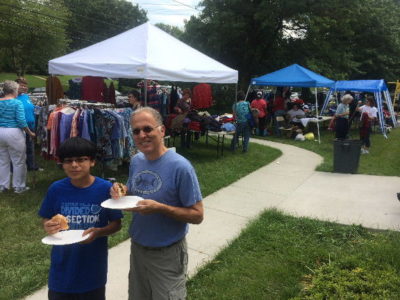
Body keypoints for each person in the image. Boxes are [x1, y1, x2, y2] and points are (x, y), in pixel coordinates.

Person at [110, 107, 204, 300]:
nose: (142, 135)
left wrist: (161, 208)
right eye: (136, 131)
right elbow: (133, 190)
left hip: (167, 253)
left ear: (162, 131)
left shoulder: (181, 167)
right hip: (138, 248)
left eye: (147, 129)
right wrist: (122, 190)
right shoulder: (137, 160)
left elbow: (197, 215)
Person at [38, 137, 123, 300]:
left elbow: (116, 224)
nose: (74, 165)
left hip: (93, 271)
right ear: (62, 164)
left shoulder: (105, 189)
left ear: (92, 162)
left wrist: (99, 232)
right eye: (68, 161)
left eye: (81, 159)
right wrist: (48, 226)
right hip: (62, 271)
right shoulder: (56, 189)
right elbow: (47, 218)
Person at [0, 80, 35, 193]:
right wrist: (30, 133)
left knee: (2, 160)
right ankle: (19, 186)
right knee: (19, 160)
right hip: (14, 132)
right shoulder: (17, 103)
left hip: (0, 132)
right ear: (14, 90)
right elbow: (21, 121)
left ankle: (3, 185)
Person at [15, 78, 42, 171]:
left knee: (30, 147)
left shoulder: (26, 96)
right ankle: (18, 168)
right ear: (15, 86)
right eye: (21, 85)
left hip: (31, 126)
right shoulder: (13, 98)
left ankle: (32, 166)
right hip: (19, 128)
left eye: (25, 85)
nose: (24, 87)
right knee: (19, 150)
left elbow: (30, 107)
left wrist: (38, 108)